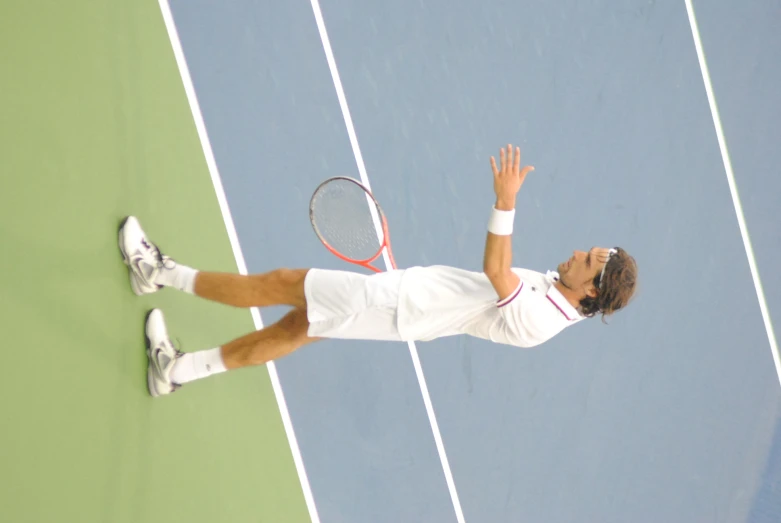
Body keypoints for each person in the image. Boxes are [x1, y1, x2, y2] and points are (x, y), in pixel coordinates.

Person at [119, 144, 638, 397]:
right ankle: (177, 371)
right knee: (293, 328)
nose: (574, 254)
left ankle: (157, 272)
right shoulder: (559, 295)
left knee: (277, 284)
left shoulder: (543, 318)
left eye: (585, 261)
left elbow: (496, 268)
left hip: (397, 305)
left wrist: (505, 202)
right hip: (404, 305)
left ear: (590, 289)